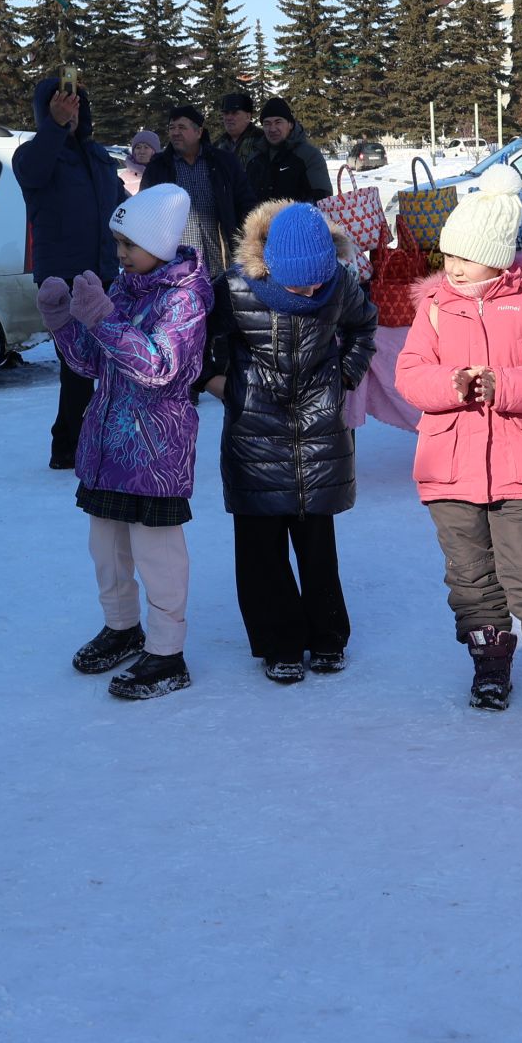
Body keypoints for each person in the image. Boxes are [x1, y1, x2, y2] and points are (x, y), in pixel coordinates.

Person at [393, 166, 522, 716]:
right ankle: (490, 665)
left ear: (498, 256)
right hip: (450, 467)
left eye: (465, 256)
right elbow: (410, 374)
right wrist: (449, 384)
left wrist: (504, 386)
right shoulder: (434, 308)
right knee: (471, 578)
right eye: (448, 255)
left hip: (521, 465)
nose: (452, 266)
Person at [37, 184, 212, 701]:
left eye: (128, 245)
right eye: (117, 245)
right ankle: (122, 628)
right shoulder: (126, 288)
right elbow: (93, 362)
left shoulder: (185, 299)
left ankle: (166, 651)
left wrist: (104, 320)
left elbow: (158, 368)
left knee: (157, 555)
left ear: (158, 243)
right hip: (108, 446)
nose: (120, 255)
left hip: (154, 453)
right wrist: (64, 323)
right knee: (107, 548)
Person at [207, 200, 377, 683]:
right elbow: (199, 341)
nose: (310, 289)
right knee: (260, 546)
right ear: (272, 264)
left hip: (319, 429)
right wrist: (220, 384)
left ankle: (327, 636)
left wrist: (345, 375)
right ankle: (279, 642)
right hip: (254, 430)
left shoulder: (339, 284)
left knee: (316, 541)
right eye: (299, 281)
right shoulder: (236, 286)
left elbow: (365, 325)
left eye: (318, 279)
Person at [13, 76, 127, 470]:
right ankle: (67, 446)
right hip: (63, 280)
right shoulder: (33, 155)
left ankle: (106, 439)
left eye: (77, 106)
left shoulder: (97, 156)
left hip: (106, 273)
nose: (71, 113)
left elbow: (122, 206)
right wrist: (54, 127)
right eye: (62, 106)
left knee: (114, 362)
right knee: (77, 368)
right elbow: (32, 174)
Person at [140, 103, 253, 278]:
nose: (175, 132)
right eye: (172, 128)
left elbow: (245, 204)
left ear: (199, 132)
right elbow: (145, 214)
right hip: (176, 270)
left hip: (218, 265)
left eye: (182, 127)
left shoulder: (223, 163)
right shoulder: (158, 167)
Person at [246, 96, 332, 204]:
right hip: (260, 220)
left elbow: (322, 200)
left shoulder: (308, 156)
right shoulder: (255, 158)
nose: (272, 129)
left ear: (290, 124)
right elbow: (246, 200)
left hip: (298, 220)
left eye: (278, 122)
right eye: (267, 124)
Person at [214, 91, 268, 171]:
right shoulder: (217, 145)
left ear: (248, 116)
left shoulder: (262, 141)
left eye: (234, 113)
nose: (229, 118)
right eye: (226, 113)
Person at [120, 129, 161, 196]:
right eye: (138, 147)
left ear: (155, 151)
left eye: (146, 147)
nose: (141, 152)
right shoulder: (122, 178)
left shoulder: (165, 174)